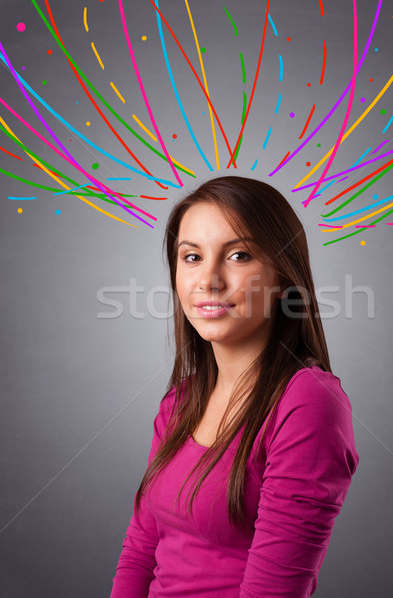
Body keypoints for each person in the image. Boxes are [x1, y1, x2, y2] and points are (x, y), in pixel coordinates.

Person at [110, 175, 359, 597]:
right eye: (191, 257)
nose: (209, 279)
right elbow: (140, 551)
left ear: (283, 277)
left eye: (239, 255)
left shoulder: (308, 402)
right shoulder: (180, 400)